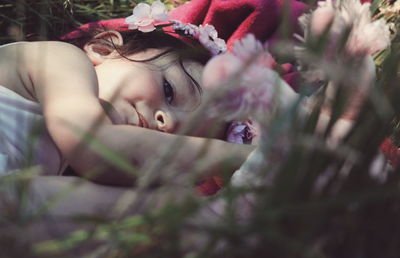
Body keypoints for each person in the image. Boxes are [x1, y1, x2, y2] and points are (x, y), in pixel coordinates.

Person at [0, 10, 255, 188]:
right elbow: (96, 148)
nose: (166, 122)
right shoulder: (61, 59)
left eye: (177, 139)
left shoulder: (58, 175)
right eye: (169, 90)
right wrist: (246, 157)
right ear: (105, 48)